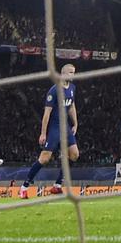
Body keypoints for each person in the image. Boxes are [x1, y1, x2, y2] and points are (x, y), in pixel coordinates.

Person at [21, 64, 78, 199]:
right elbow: (47, 114)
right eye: (70, 72)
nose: (73, 75)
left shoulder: (72, 88)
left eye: (74, 72)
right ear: (63, 73)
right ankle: (24, 186)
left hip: (66, 128)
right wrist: (43, 133)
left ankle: (57, 185)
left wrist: (75, 123)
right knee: (44, 159)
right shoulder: (54, 90)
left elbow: (71, 106)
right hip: (54, 127)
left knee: (74, 154)